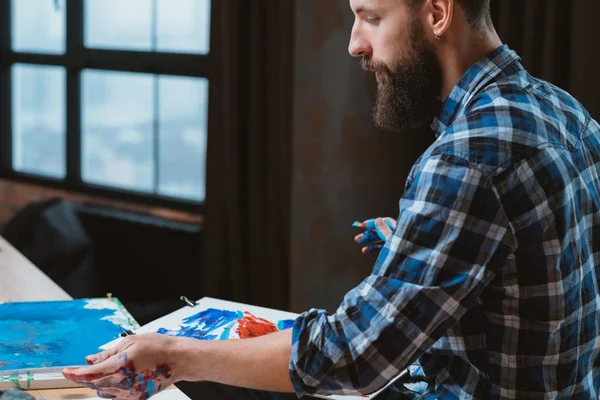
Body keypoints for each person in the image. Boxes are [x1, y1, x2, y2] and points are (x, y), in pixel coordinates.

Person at [62, 0, 600, 398]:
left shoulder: (467, 159)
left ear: (437, 13)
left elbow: (356, 355)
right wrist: (424, 242)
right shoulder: (565, 112)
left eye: (370, 17)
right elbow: (550, 274)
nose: (354, 43)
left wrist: (176, 357)